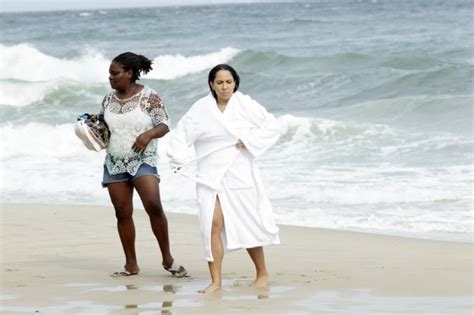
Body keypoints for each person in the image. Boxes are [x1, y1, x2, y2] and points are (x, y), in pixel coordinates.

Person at [167, 64, 281, 293]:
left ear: (235, 82)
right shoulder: (200, 108)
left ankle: (262, 273)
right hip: (209, 175)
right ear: (211, 84)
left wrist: (250, 141)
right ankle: (216, 281)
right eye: (219, 82)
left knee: (247, 222)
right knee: (212, 224)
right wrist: (178, 157)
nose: (225, 86)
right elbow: (181, 134)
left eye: (229, 82)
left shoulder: (245, 104)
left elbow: (272, 126)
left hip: (239, 172)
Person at [99, 52, 186, 278]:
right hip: (115, 162)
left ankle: (168, 259)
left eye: (115, 73)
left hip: (142, 161)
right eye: (110, 73)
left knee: (153, 205)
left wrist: (148, 135)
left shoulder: (149, 97)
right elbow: (103, 128)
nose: (110, 78)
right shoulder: (108, 99)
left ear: (129, 73)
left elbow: (164, 123)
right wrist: (92, 131)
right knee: (122, 213)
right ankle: (131, 264)